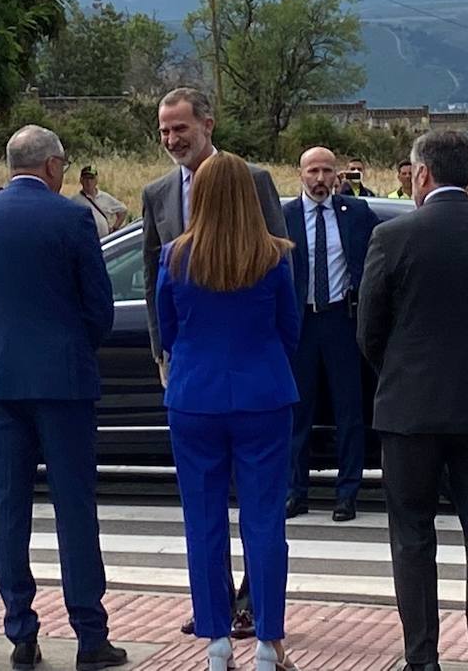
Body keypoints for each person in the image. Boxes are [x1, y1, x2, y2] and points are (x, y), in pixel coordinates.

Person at [357, 131, 468, 671]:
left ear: (424, 174)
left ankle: (422, 659)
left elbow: (369, 329)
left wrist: (399, 373)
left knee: (412, 534)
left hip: (412, 408)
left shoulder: (393, 236)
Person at [0, 125, 127, 671]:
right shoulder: (73, 217)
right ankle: (90, 634)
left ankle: (21, 633)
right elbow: (98, 306)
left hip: (0, 382)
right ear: (53, 166)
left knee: (9, 510)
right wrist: (74, 342)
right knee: (75, 508)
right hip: (64, 381)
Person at [140, 86, 286, 636]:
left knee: (257, 508)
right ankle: (213, 606)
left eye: (180, 128)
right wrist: (163, 351)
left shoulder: (253, 180)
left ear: (208, 124)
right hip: (194, 370)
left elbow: (280, 264)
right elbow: (157, 274)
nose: (172, 139)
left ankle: (254, 603)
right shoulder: (157, 193)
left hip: (249, 368)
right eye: (164, 132)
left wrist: (267, 351)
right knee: (206, 512)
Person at [156, 152, 301, 671]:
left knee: (204, 521)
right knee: (264, 522)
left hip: (195, 397)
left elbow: (168, 330)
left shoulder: (175, 255)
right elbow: (291, 330)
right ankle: (268, 639)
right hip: (262, 393)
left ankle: (216, 639)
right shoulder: (274, 255)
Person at [283, 147, 377, 522]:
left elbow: (372, 264)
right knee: (297, 411)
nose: (320, 179)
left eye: (326, 171)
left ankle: (347, 492)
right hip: (301, 322)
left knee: (349, 410)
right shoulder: (284, 217)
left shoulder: (356, 214)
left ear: (337, 175)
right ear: (301, 175)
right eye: (312, 171)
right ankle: (296, 491)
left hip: (341, 320)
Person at [73, 165, 128, 239]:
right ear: (81, 180)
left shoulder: (105, 197)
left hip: (105, 240)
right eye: (86, 178)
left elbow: (123, 210)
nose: (89, 182)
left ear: (96, 180)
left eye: (91, 178)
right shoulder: (75, 201)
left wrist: (115, 228)